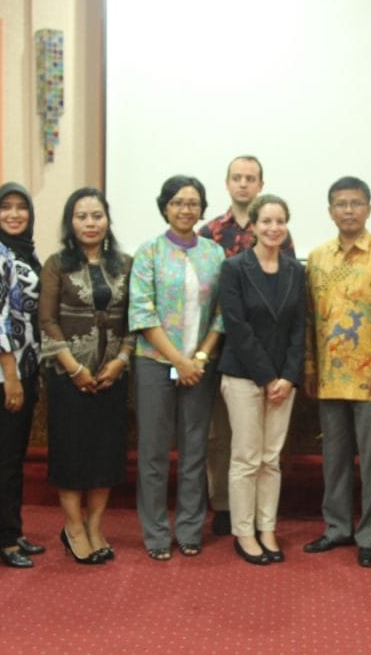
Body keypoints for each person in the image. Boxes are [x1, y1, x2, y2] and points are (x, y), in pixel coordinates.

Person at [303, 176, 371, 568]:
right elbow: (311, 319)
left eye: (356, 203)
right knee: (334, 459)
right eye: (340, 204)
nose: (348, 210)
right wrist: (311, 367)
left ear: (369, 207)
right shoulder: (316, 258)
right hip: (330, 378)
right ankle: (336, 528)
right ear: (330, 210)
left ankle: (370, 534)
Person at [129, 175, 225, 561]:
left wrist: (198, 359)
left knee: (195, 450)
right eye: (178, 202)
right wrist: (178, 361)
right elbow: (142, 311)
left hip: (200, 367)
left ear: (202, 208)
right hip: (155, 364)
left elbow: (222, 314)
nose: (186, 209)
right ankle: (155, 533)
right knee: (153, 452)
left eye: (193, 202)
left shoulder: (214, 253)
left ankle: (188, 529)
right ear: (165, 207)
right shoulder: (148, 252)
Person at [199, 155, 295, 536]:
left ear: (260, 184)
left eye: (250, 178)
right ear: (227, 184)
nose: (243, 184)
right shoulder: (208, 233)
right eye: (236, 178)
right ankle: (224, 506)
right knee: (220, 439)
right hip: (215, 353)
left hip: (266, 359)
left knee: (261, 450)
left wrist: (277, 373)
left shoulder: (280, 241)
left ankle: (258, 516)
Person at [39, 187, 134, 566]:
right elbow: (46, 321)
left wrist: (121, 360)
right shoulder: (56, 264)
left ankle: (95, 526)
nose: (90, 223)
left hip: (112, 374)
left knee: (105, 456)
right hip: (67, 376)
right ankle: (73, 528)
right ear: (71, 222)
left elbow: (134, 318)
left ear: (107, 220)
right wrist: (74, 368)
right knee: (73, 456)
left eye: (97, 215)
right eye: (82, 216)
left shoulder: (125, 264)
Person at [217, 194, 305, 564]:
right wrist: (269, 378)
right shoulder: (235, 268)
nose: (273, 228)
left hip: (284, 382)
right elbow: (236, 328)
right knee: (247, 458)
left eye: (280, 221)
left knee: (271, 460)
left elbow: (300, 329)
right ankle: (244, 532)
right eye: (266, 221)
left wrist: (287, 376)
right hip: (242, 376)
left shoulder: (295, 270)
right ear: (252, 226)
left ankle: (267, 528)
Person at [0, 182, 46, 568]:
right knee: (3, 457)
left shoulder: (24, 253)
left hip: (26, 367)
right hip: (4, 372)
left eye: (21, 208)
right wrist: (10, 374)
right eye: (6, 208)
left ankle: (12, 530)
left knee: (14, 456)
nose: (14, 214)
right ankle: (2, 539)